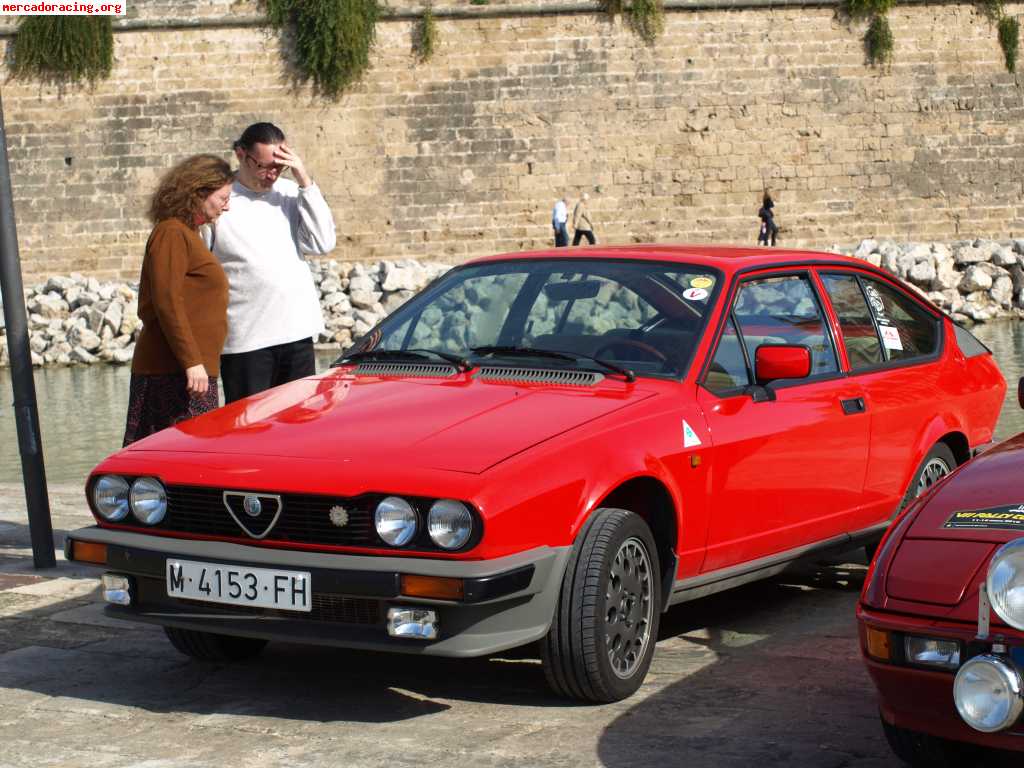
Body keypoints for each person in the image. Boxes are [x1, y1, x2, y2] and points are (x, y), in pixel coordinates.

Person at [205, 122, 337, 404]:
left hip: (297, 333)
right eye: (264, 166)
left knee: (299, 430)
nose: (271, 175)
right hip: (245, 340)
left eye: (279, 167)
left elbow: (322, 243)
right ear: (241, 154)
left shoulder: (290, 193)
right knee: (247, 431)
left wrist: (304, 180)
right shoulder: (219, 198)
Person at [123, 154, 234, 446]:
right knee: (168, 458)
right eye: (222, 197)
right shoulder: (171, 232)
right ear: (198, 192)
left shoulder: (190, 234)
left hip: (189, 372)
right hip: (172, 372)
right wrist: (192, 361)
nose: (227, 205)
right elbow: (166, 300)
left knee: (194, 459)